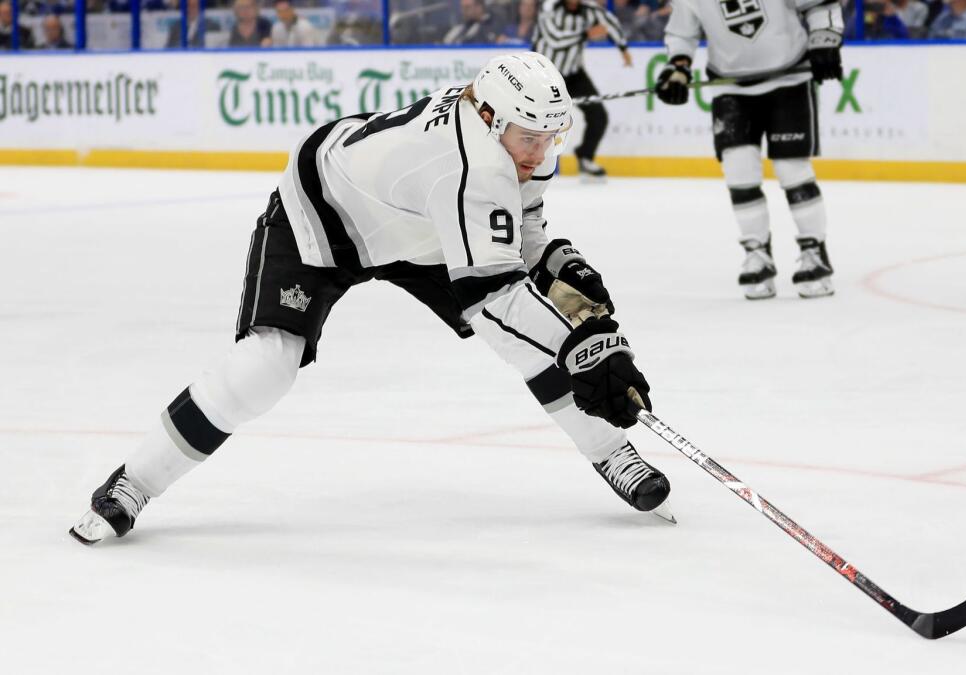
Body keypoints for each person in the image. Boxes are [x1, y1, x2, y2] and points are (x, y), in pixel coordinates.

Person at [69, 52, 670, 546]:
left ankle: (611, 452)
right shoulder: (469, 165)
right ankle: (135, 482)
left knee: (519, 337)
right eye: (528, 138)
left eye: (549, 137)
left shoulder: (514, 140)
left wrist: (554, 262)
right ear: (488, 117)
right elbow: (498, 294)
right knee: (266, 366)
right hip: (325, 211)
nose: (539, 152)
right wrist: (581, 343)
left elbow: (522, 228)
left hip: (421, 223)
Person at [657, 0, 842, 299]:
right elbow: (682, 31)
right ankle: (757, 253)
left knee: (792, 169)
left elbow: (820, 4)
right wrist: (677, 66)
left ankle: (814, 251)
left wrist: (825, 36)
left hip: (790, 77)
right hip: (730, 86)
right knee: (739, 171)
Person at [532, 0, 631, 182]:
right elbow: (555, 38)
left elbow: (610, 23)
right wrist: (586, 34)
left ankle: (585, 157)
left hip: (574, 73)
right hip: (545, 75)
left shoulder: (589, 9)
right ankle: (529, 161)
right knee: (539, 120)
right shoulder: (549, 7)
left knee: (598, 115)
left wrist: (623, 48)